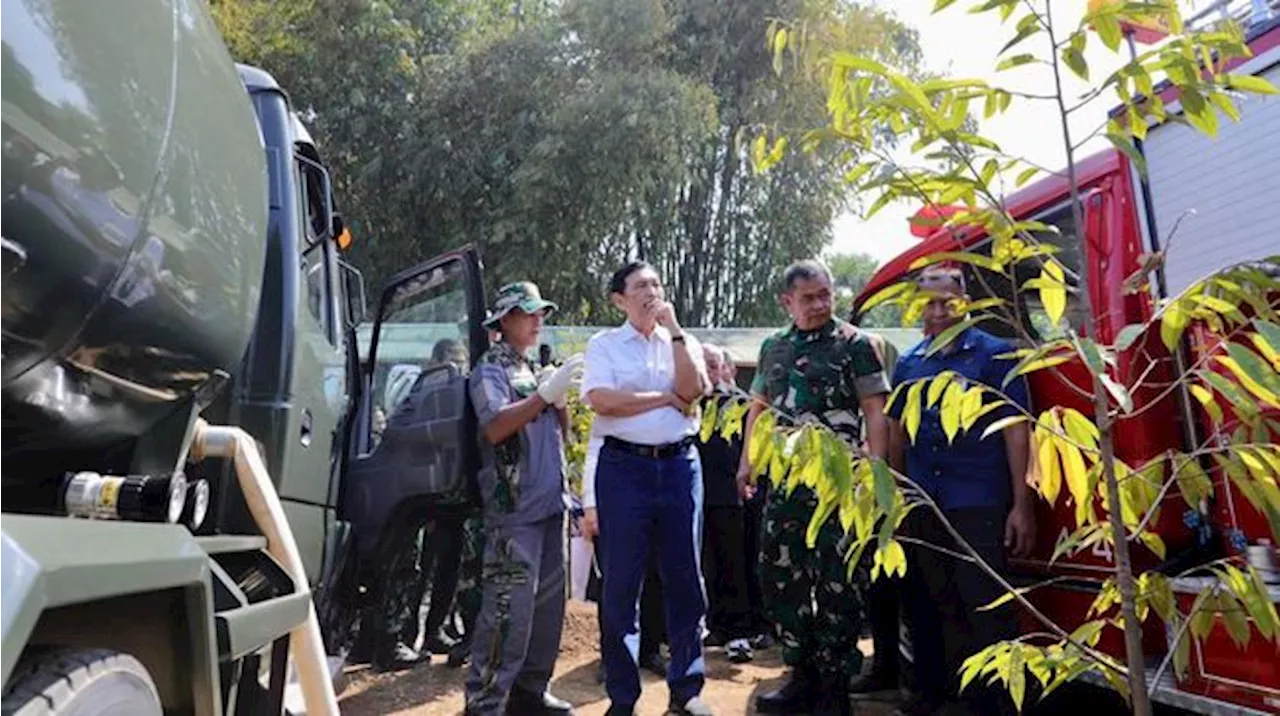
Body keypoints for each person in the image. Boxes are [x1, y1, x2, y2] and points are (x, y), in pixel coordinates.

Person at [738, 259, 890, 716]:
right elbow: (758, 407)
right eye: (809, 297)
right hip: (786, 488)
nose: (821, 304)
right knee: (780, 578)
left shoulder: (857, 345)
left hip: (839, 489)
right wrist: (747, 461)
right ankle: (800, 676)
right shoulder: (774, 347)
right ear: (787, 302)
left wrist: (876, 473)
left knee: (839, 584)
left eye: (826, 294)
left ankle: (834, 687)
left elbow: (875, 410)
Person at [887, 266, 1034, 716]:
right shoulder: (911, 362)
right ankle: (947, 697)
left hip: (978, 501)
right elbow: (897, 434)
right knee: (934, 602)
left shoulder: (995, 355)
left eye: (945, 302)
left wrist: (1021, 506)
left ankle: (1000, 705)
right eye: (927, 304)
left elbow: (1017, 432)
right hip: (925, 504)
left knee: (986, 608)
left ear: (964, 303)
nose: (936, 312)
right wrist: (897, 499)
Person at [580, 260, 713, 716]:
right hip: (623, 471)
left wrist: (675, 330)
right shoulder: (605, 345)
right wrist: (663, 398)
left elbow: (694, 388)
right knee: (621, 584)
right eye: (640, 286)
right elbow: (603, 402)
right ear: (619, 299)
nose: (651, 292)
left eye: (656, 284)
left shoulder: (683, 340)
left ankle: (687, 691)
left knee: (685, 579)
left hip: (679, 466)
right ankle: (622, 696)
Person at [464, 282, 585, 716]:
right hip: (513, 507)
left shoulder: (531, 366)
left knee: (549, 607)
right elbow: (495, 426)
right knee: (507, 610)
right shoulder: (490, 369)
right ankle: (486, 701)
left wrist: (558, 399)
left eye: (540, 314)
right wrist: (542, 396)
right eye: (528, 313)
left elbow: (559, 435)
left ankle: (530, 691)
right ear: (504, 320)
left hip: (550, 505)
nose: (538, 321)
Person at [697, 345, 755, 663]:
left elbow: (753, 447)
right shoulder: (689, 401)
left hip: (729, 495)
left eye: (713, 364)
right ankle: (715, 627)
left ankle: (739, 632)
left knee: (733, 563)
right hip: (694, 497)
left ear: (723, 368)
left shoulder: (739, 403)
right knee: (705, 566)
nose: (709, 370)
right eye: (703, 364)